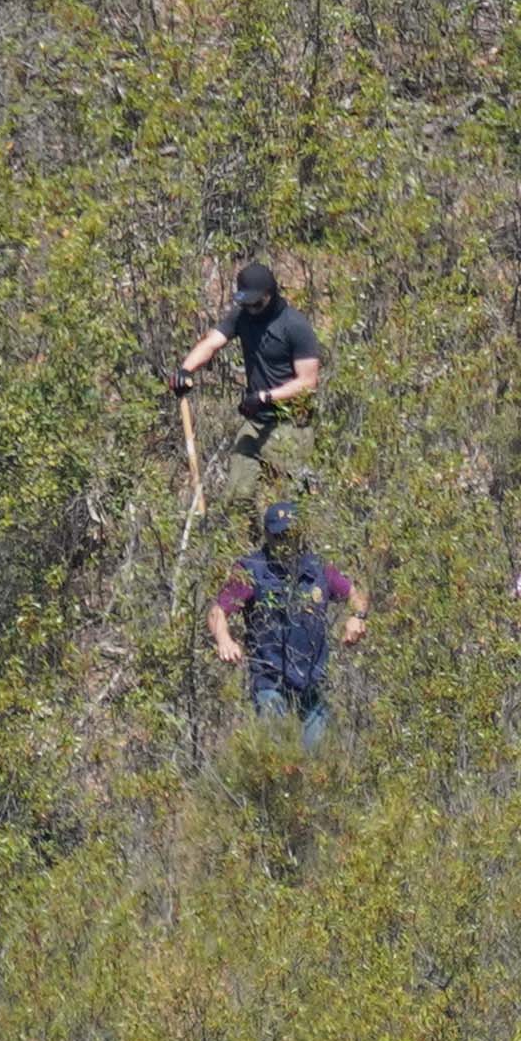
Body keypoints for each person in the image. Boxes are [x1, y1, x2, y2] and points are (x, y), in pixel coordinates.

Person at [208, 500, 366, 745]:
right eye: (279, 536)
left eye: (290, 535)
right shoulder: (251, 570)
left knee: (317, 765)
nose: (285, 543)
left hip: (312, 681)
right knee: (279, 758)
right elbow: (218, 611)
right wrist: (224, 640)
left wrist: (357, 617)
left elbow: (355, 596)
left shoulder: (318, 568)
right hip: (271, 682)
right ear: (268, 535)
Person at [174, 260, 326, 503]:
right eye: (246, 302)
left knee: (288, 507)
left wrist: (266, 397)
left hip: (291, 427)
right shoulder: (241, 316)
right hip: (255, 423)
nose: (251, 308)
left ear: (270, 294)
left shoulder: (295, 326)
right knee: (237, 497)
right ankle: (243, 536)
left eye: (256, 302)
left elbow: (308, 382)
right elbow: (212, 342)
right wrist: (186, 370)